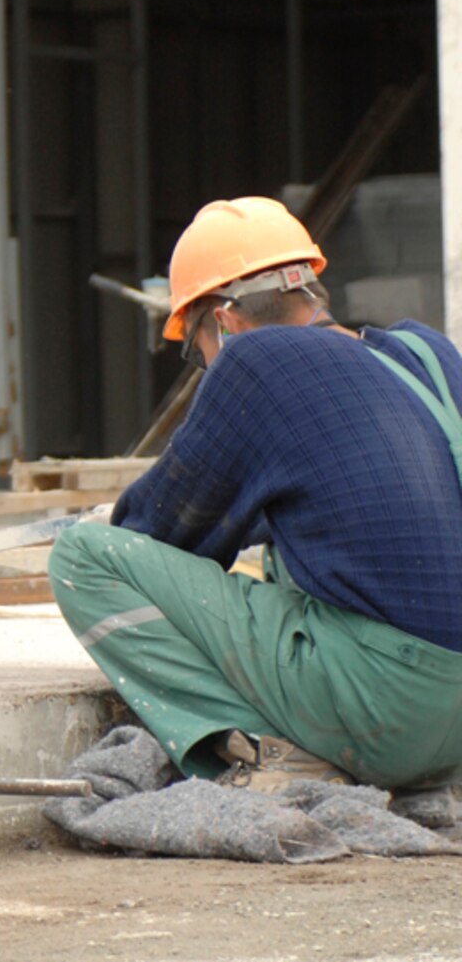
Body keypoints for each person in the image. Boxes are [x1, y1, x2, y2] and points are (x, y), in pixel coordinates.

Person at [50, 197, 462, 792]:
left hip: (388, 712)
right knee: (285, 549)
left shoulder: (256, 360)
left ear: (223, 319)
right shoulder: (427, 354)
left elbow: (156, 534)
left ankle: (265, 751)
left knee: (80, 558)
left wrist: (109, 520)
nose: (205, 364)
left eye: (196, 349)